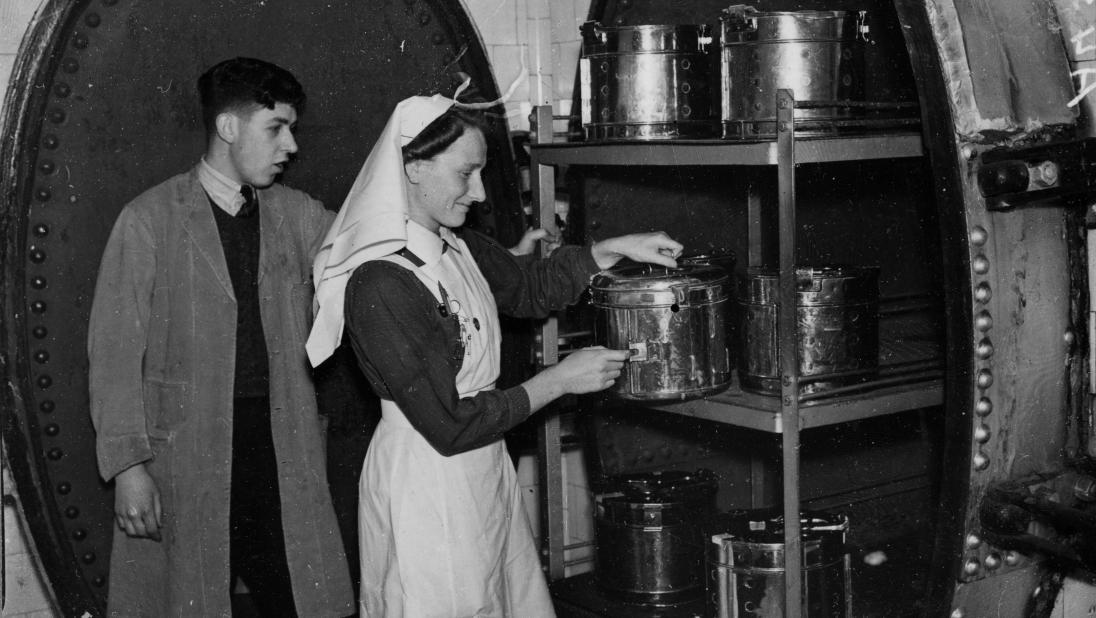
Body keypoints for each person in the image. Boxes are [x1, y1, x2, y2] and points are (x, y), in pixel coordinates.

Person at [306, 92, 683, 617]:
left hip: (483, 464)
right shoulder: (380, 282)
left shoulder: (457, 245)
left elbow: (531, 288)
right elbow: (449, 424)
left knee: (499, 597)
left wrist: (615, 248)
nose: (480, 193)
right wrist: (559, 380)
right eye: (466, 173)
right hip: (429, 476)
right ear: (412, 168)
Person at [87, 57, 353, 617]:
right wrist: (129, 468)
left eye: (293, 130)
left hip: (277, 448)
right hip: (185, 459)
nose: (291, 147)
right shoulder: (149, 219)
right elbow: (113, 357)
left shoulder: (297, 215)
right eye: (276, 128)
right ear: (228, 128)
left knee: (299, 600)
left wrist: (488, 266)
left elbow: (370, 249)